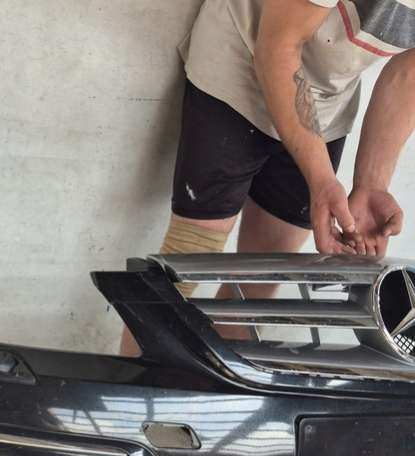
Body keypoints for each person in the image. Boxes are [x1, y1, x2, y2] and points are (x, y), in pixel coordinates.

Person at [123, 0, 415, 355]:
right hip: (241, 62)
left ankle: (221, 388)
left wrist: (371, 184)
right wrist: (321, 180)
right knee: (187, 262)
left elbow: (409, 75)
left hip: (325, 100)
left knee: (260, 282)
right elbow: (279, 45)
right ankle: (133, 384)